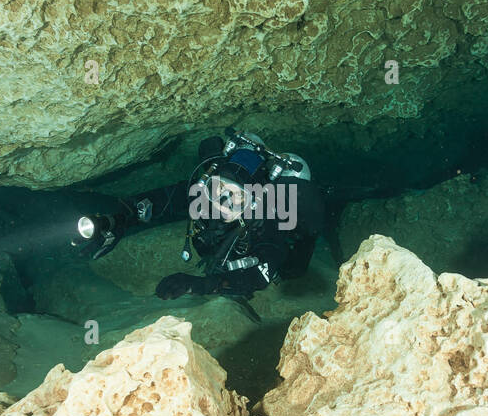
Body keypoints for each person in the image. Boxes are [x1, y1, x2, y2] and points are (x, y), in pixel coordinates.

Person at [71, 129, 323, 301]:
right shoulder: (202, 196)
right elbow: (154, 203)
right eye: (218, 188)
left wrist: (203, 285)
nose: (222, 202)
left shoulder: (268, 221)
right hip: (218, 254)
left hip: (281, 264)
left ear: (254, 201)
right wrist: (113, 222)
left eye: (236, 196)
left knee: (292, 269)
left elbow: (261, 273)